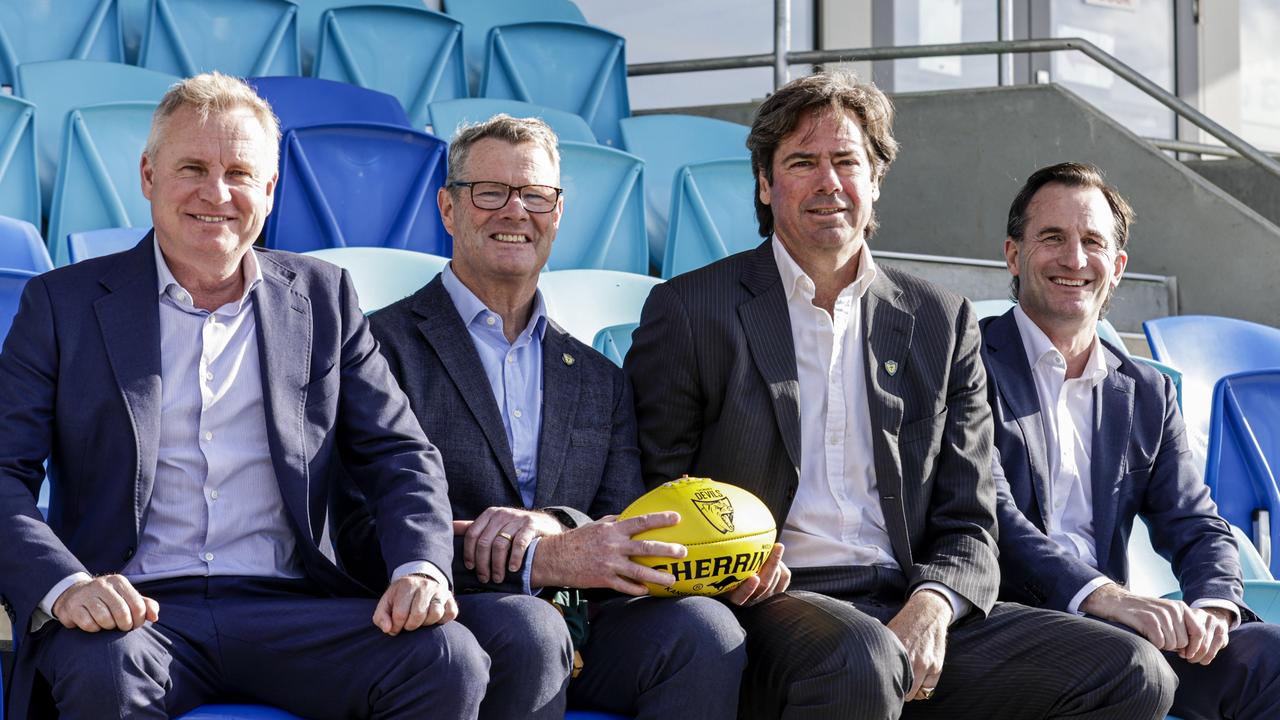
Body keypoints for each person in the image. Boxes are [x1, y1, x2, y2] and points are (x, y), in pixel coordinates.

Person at [624, 70, 1176, 720]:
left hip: (910, 597)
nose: (829, 183)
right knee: (861, 658)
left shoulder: (941, 320)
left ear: (876, 179)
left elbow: (971, 518)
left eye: (847, 162)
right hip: (768, 606)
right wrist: (723, 569)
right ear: (768, 186)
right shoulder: (692, 310)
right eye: (802, 162)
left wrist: (935, 603)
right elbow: (653, 490)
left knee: (1132, 671)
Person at [0, 73, 486, 720]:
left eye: (239, 172)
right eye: (192, 168)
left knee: (447, 660)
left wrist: (420, 568)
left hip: (298, 608)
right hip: (132, 613)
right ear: (148, 176)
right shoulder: (61, 305)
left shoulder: (323, 299)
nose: (216, 193)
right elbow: (3, 472)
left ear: (270, 188)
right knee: (103, 673)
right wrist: (65, 588)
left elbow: (401, 455)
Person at [333, 114, 745, 720]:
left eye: (535, 195)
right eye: (490, 192)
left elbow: (620, 514)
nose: (514, 211)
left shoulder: (599, 375)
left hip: (584, 622)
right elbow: (357, 532)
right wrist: (526, 559)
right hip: (449, 617)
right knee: (528, 628)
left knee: (705, 630)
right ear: (448, 209)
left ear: (558, 213)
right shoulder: (378, 347)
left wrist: (554, 527)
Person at [984, 160, 1280, 719]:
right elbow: (992, 515)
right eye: (1052, 238)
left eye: (1092, 242)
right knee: (1126, 663)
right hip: (1014, 627)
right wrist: (1106, 597)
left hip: (1120, 628)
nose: (1074, 260)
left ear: (1117, 267)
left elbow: (1195, 522)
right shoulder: (967, 363)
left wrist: (1213, 608)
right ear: (1013, 255)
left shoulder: (1145, 390)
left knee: (1269, 657)